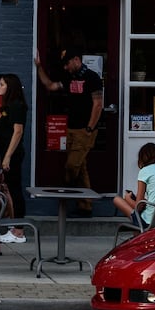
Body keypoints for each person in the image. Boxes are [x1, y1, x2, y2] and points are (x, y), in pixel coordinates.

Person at [34, 46, 104, 215]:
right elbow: (50, 86)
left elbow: (98, 104)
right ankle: (85, 207)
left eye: (67, 64)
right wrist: (39, 67)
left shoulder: (92, 78)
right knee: (81, 166)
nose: (65, 68)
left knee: (72, 166)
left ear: (76, 60)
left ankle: (67, 190)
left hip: (84, 130)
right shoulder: (68, 77)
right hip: (70, 129)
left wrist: (89, 128)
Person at [0, 73, 29, 242]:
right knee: (10, 189)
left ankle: (19, 231)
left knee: (15, 190)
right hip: (6, 153)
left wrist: (8, 156)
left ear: (10, 86)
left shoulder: (16, 105)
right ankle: (14, 226)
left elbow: (18, 131)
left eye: (1, 84)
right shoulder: (6, 106)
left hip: (12, 154)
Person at [113, 143, 155, 228]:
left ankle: (139, 237)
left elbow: (138, 207)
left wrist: (127, 198)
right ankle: (138, 236)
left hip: (151, 222)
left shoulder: (145, 171)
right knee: (142, 209)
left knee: (117, 200)